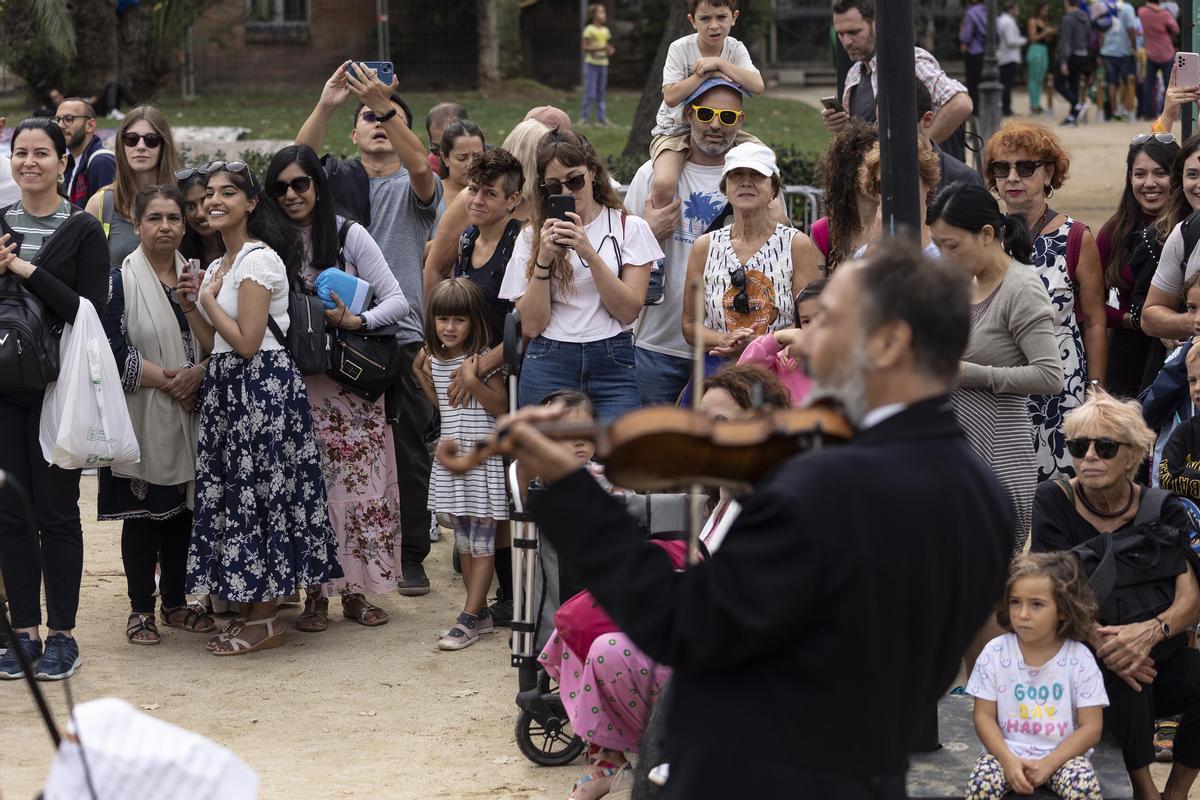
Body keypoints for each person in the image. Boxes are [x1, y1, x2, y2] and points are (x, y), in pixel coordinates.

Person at [498, 243, 1013, 798]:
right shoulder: (987, 495)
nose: (803, 340)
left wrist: (571, 488)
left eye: (827, 322)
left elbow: (687, 627)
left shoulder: (820, 486)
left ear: (889, 342)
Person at [177, 161, 341, 656]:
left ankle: (265, 617)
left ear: (251, 204)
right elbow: (217, 346)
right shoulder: (224, 265)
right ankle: (256, 610)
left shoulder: (257, 259)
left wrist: (207, 296)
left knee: (261, 496)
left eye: (228, 193)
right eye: (208, 195)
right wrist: (193, 304)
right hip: (232, 387)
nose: (214, 201)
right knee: (239, 495)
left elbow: (248, 342)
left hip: (261, 389)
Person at [296, 61, 441, 596]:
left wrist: (384, 103)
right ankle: (337, 557)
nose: (379, 124)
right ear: (353, 133)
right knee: (335, 453)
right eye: (369, 117)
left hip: (399, 337)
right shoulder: (331, 182)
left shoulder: (417, 188)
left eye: (391, 118)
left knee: (407, 448)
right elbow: (296, 164)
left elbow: (424, 170)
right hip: (330, 339)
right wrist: (329, 102)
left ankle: (411, 553)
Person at [263, 144, 412, 632]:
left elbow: (398, 302)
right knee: (308, 490)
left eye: (300, 184)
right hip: (293, 385)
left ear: (318, 186)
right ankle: (314, 595)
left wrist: (356, 318)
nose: (290, 195)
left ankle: (357, 590)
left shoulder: (351, 235)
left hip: (350, 386)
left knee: (361, 489)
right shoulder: (265, 242)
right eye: (280, 187)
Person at [1031, 387, 1200, 800]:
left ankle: (1175, 791)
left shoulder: (1163, 508)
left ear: (1134, 456)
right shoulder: (1055, 501)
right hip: (1077, 662)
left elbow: (1190, 599)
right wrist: (1108, 643)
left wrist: (1150, 633)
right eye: (1078, 445)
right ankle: (1145, 790)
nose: (1089, 456)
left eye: (1105, 446)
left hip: (1156, 654)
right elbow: (1047, 591)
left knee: (1146, 665)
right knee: (1121, 670)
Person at [0, 118, 109, 680]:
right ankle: (22, 631)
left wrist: (21, 268)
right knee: (11, 512)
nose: (30, 162)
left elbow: (88, 309)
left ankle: (62, 635)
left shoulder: (84, 229)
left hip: (58, 388)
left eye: (42, 152)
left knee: (57, 511)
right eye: (21, 153)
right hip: (4, 388)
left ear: (64, 161)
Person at [97, 184, 214, 646]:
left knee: (183, 514)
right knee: (143, 515)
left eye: (173, 219)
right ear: (138, 225)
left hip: (194, 414)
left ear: (184, 226)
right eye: (154, 219)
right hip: (142, 413)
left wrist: (199, 375)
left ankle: (177, 604)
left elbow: (219, 341)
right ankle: (141, 609)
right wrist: (175, 382)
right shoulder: (118, 280)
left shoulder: (199, 281)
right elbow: (111, 351)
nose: (165, 227)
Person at [927, 181, 1061, 548]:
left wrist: (971, 374)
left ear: (987, 234)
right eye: (938, 245)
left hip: (998, 455)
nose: (943, 255)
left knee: (994, 584)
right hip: (955, 455)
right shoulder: (964, 280)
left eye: (950, 245)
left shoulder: (1021, 288)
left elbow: (1051, 376)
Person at [498, 128, 661, 419]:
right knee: (546, 462)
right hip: (549, 358)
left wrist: (587, 251)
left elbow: (627, 311)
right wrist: (544, 261)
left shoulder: (629, 228)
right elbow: (532, 325)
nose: (567, 193)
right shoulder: (531, 237)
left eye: (575, 181)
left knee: (616, 459)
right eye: (554, 186)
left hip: (612, 360)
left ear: (593, 173)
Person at [984, 120, 1108, 481]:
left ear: (1048, 172)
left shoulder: (1075, 237)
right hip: (1003, 390)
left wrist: (1096, 394)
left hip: (1060, 390)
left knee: (1062, 503)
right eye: (1001, 168)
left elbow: (1096, 321)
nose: (1012, 178)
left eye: (1025, 167)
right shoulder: (985, 237)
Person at [628, 79, 749, 406]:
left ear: (740, 121)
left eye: (726, 117)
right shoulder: (651, 177)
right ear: (687, 115)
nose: (714, 125)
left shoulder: (754, 180)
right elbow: (615, 254)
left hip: (727, 345)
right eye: (705, 113)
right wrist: (647, 232)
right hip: (658, 343)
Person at [964, 552, 1108, 800]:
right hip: (1004, 753)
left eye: (1037, 604)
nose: (1022, 614)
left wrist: (1049, 763)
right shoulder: (995, 653)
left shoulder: (1079, 659)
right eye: (1015, 602)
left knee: (1085, 788)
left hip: (1063, 757)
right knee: (981, 785)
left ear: (1063, 609)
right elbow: (983, 717)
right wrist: (1008, 761)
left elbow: (1091, 727)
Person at [414, 278, 508, 650]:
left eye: (459, 320)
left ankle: (468, 617)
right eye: (442, 319)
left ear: (474, 323)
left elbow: (500, 406)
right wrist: (421, 373)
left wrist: (473, 378)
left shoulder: (481, 360)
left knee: (481, 544)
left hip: (481, 461)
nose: (449, 327)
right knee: (466, 543)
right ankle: (479, 613)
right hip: (455, 462)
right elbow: (444, 406)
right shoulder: (437, 359)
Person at [680, 142, 819, 374]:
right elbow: (689, 325)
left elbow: (811, 320)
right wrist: (725, 339)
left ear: (774, 189)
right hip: (719, 369)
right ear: (725, 188)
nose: (746, 182)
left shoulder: (796, 244)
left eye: (756, 175)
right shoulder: (704, 246)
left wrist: (765, 342)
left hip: (779, 367)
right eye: (736, 175)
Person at [648, 0, 764, 214]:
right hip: (674, 129)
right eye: (705, 18)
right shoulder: (680, 48)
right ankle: (653, 231)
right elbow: (671, 97)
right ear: (692, 21)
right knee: (664, 183)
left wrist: (720, 64)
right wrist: (706, 74)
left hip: (721, 123)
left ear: (734, 17)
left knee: (767, 162)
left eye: (721, 17)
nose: (714, 25)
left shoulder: (735, 49)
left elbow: (757, 86)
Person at [825, 0, 973, 161]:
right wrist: (842, 128)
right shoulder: (854, 74)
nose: (846, 41)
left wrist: (917, 155)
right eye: (841, 34)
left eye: (854, 32)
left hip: (927, 182)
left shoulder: (906, 61)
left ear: (876, 25)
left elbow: (961, 103)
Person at [423, 118, 548, 302]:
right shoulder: (468, 200)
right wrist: (432, 322)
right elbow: (436, 267)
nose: (478, 200)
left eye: (490, 194)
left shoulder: (545, 202)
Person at [1098, 134, 1179, 397]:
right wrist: (1136, 321)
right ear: (1128, 178)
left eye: (1160, 173)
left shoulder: (1190, 230)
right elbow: (1090, 307)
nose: (1149, 184)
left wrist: (1173, 324)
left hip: (1183, 351)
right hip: (1129, 357)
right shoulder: (1113, 232)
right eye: (1140, 174)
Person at [85, 105, 182, 269]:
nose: (141, 146)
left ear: (163, 145)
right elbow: (85, 267)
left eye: (151, 140)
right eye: (131, 139)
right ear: (121, 145)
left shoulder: (183, 197)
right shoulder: (101, 202)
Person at [453, 147, 523, 344]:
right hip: (468, 355)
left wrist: (483, 366)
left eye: (490, 193)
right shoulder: (467, 238)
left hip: (507, 364)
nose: (477, 201)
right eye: (473, 189)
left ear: (512, 199)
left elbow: (524, 329)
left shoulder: (520, 244)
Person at [736, 278, 822, 405]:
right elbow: (742, 376)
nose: (814, 327)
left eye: (821, 317)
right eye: (806, 321)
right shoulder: (788, 360)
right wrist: (776, 338)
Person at [856, 136, 942, 259]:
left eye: (906, 180)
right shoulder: (866, 255)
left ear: (927, 182)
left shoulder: (947, 248)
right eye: (884, 185)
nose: (896, 192)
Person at [810, 118, 878, 273]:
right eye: (869, 166)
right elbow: (815, 293)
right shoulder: (824, 231)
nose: (877, 176)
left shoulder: (898, 225)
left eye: (880, 166)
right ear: (848, 173)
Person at [54, 98, 115, 207]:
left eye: (69, 119)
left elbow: (108, 213)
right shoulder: (68, 163)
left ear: (90, 126)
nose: (60, 125)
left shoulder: (102, 162)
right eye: (58, 119)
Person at [175, 168, 225, 266]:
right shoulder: (180, 256)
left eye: (205, 201)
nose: (200, 214)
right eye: (191, 206)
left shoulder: (248, 251)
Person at [1099, 0, 1140, 122]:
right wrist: (1134, 47)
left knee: (1111, 82)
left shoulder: (1103, 7)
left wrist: (1101, 49)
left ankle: (1114, 111)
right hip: (1124, 51)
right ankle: (1126, 109)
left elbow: (1101, 31)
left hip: (1107, 50)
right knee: (1128, 81)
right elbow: (1131, 30)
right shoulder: (1127, 8)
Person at [1139, 0, 1179, 120]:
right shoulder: (1165, 14)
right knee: (1169, 86)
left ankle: (1148, 114)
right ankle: (1168, 114)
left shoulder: (1142, 12)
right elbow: (1176, 29)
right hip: (1166, 52)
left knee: (1149, 84)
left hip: (1150, 52)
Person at [1056, 0, 1094, 126]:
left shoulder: (1067, 19)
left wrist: (1063, 61)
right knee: (1074, 85)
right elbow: (1089, 36)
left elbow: (1065, 41)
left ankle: (1077, 105)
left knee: (1059, 84)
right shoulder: (1086, 17)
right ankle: (1073, 116)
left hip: (1071, 55)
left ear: (1067, 3)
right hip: (1082, 54)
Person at [436, 120, 485, 214]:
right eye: (462, 158)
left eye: (478, 157)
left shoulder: (494, 192)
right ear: (445, 158)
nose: (471, 164)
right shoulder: (433, 195)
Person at [580, 2, 614, 127]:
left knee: (601, 94)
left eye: (604, 12)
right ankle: (584, 119)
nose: (603, 14)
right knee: (590, 94)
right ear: (593, 15)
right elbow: (585, 47)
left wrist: (610, 50)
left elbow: (607, 47)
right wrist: (601, 48)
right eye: (601, 12)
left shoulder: (606, 30)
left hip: (603, 65)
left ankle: (601, 119)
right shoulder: (589, 29)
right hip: (591, 65)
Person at [997, 2, 1027, 117]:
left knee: (1005, 83)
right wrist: (1023, 41)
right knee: (1006, 84)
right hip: (1008, 57)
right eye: (1016, 8)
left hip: (1005, 56)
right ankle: (1006, 109)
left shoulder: (1003, 20)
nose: (1018, 10)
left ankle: (1005, 107)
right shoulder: (1008, 22)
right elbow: (1011, 41)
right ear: (1010, 9)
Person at [1027, 3, 1057, 116]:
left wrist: (1049, 34)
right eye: (1045, 10)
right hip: (1035, 50)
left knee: (1040, 79)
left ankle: (1037, 104)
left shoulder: (1044, 22)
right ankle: (1033, 106)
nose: (1046, 12)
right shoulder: (1032, 21)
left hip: (1044, 50)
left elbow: (1046, 40)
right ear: (1039, 9)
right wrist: (1045, 32)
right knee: (1034, 79)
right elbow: (1033, 38)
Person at [425, 101, 468, 176]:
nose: (443, 158)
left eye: (461, 157)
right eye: (436, 150)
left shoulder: (489, 165)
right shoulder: (430, 171)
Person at [961, 1, 988, 112]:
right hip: (986, 52)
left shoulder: (971, 13)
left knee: (973, 85)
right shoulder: (987, 11)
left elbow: (966, 36)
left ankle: (975, 111)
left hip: (973, 51)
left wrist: (963, 37)